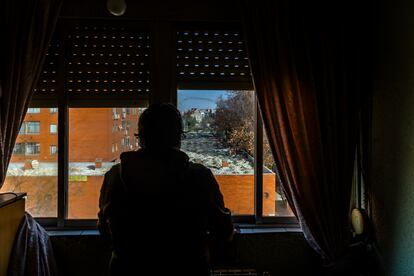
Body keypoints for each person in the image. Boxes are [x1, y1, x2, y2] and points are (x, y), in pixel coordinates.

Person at [98, 103, 234, 275]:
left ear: (141, 138)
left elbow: (104, 230)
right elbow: (224, 233)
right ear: (178, 137)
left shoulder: (114, 177)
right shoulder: (200, 178)